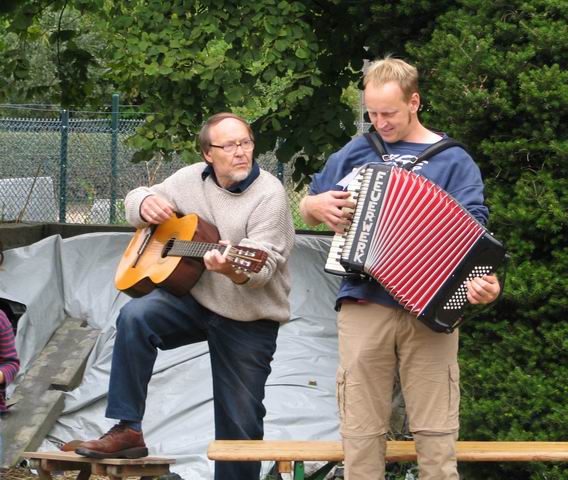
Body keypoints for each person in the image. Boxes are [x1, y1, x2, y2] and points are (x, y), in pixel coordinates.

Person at [299, 57, 501, 480]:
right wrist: (315, 205)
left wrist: (484, 283)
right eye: (372, 113)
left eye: (388, 113)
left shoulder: (453, 160)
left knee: (436, 432)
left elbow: (475, 233)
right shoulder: (358, 150)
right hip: (363, 300)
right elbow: (310, 204)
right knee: (360, 430)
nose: (380, 123)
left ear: (414, 102)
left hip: (430, 307)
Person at [73, 112, 295, 480]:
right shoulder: (190, 178)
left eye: (245, 143)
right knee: (135, 316)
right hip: (194, 301)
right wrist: (143, 204)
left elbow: (263, 266)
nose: (241, 152)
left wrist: (232, 268)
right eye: (230, 145)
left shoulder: (269, 195)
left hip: (249, 316)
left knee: (239, 421)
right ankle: (128, 428)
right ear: (208, 153)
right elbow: (137, 197)